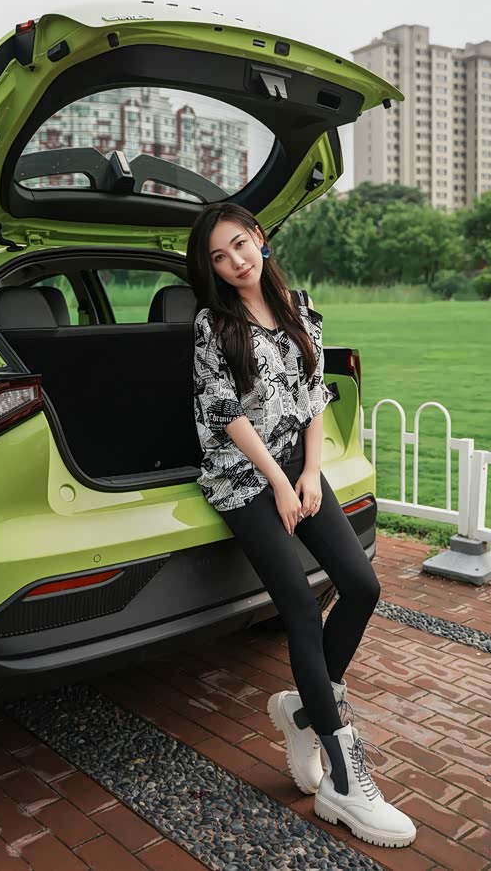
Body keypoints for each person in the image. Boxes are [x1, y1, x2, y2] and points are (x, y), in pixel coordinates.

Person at [186, 201, 416, 849]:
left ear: (259, 238)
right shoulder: (212, 324)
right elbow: (224, 412)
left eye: (240, 244)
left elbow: (314, 393)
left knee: (362, 585)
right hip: (241, 476)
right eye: (219, 257)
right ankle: (342, 778)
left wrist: (311, 473)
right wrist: (279, 484)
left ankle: (302, 709)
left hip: (298, 467)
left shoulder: (299, 305)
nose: (235, 261)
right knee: (301, 609)